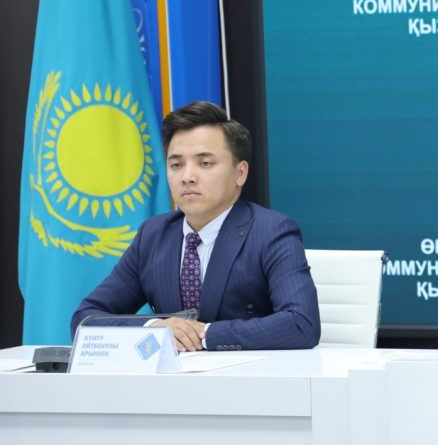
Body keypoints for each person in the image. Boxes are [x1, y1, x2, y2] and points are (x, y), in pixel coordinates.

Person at [71, 102, 320, 351]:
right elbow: (86, 319)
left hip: (249, 373)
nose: (187, 177)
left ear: (240, 173)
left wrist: (203, 334)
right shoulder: (153, 235)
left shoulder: (272, 232)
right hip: (173, 374)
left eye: (205, 163)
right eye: (176, 165)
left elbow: (301, 324)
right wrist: (154, 328)